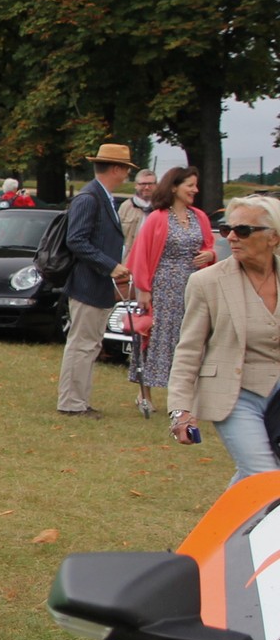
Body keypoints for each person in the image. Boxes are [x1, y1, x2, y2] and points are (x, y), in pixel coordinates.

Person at [169, 195, 280, 483]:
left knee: (253, 477)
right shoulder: (206, 282)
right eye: (226, 228)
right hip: (235, 395)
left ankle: (222, 529)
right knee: (265, 477)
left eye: (243, 230)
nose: (231, 237)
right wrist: (180, 410)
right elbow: (189, 349)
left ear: (273, 238)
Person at [57, 143, 137, 418]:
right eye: (126, 169)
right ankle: (71, 403)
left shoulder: (103, 197)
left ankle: (78, 400)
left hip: (97, 284)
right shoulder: (90, 198)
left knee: (89, 345)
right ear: (116, 168)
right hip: (87, 284)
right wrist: (110, 265)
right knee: (82, 345)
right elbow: (76, 240)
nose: (127, 174)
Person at [128, 167, 215, 418]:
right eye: (190, 185)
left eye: (196, 185)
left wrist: (210, 254)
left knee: (191, 338)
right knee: (155, 338)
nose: (195, 190)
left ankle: (188, 397)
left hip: (194, 287)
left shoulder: (200, 217)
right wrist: (143, 290)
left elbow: (208, 246)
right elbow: (141, 254)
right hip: (163, 288)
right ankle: (145, 394)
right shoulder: (157, 217)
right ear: (174, 187)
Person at [120, 169, 157, 258]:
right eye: (143, 184)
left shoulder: (162, 208)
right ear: (136, 185)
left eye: (150, 184)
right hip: (129, 260)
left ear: (156, 186)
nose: (147, 187)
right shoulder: (126, 207)